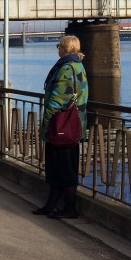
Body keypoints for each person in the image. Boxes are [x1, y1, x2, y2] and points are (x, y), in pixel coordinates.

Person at [34, 35, 89, 219]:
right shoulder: (78, 66)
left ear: (65, 49)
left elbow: (57, 101)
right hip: (73, 125)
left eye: (59, 46)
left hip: (61, 127)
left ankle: (70, 208)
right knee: (59, 167)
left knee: (64, 168)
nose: (57, 49)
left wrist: (46, 126)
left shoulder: (66, 68)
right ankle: (51, 205)